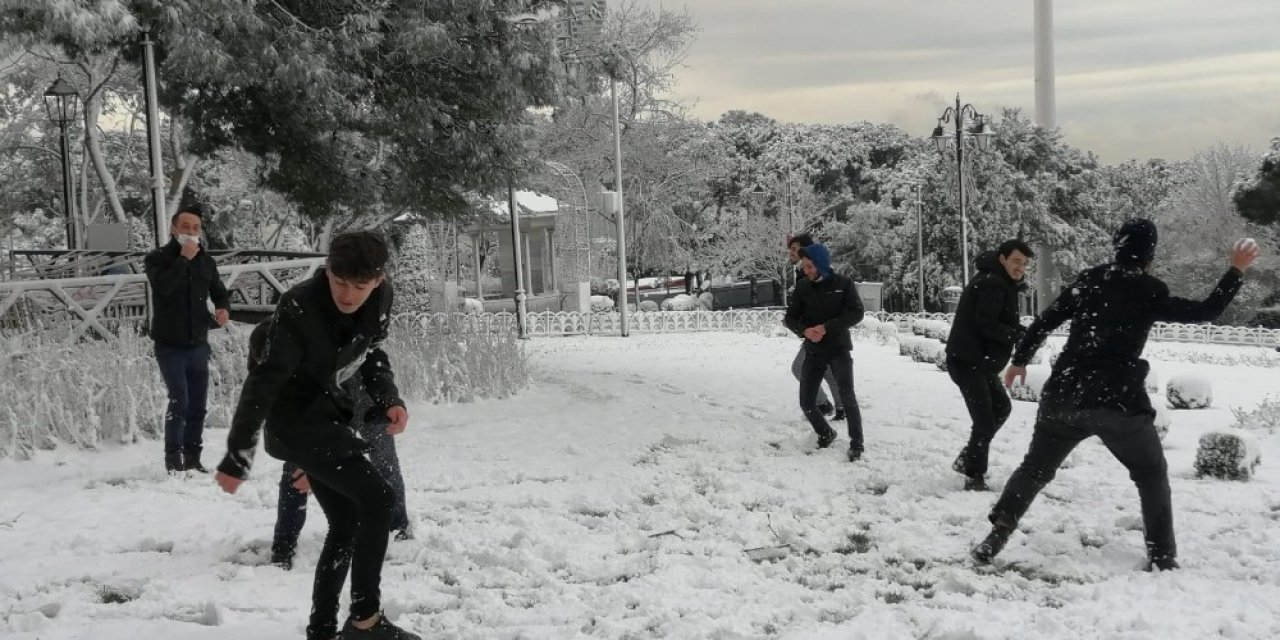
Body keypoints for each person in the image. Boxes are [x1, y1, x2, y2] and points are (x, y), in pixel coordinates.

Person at [971, 220, 1260, 571]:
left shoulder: (1091, 280)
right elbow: (1205, 312)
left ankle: (998, 533)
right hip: (1117, 401)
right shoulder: (1149, 289)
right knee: (1150, 472)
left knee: (1034, 468)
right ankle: (1162, 556)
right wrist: (1235, 270)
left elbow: (1045, 319)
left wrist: (1019, 360)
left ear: (1117, 248)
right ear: (1148, 255)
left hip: (1065, 394)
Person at [214, 231, 420, 640]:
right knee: (378, 499)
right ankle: (365, 620)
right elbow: (265, 382)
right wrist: (238, 453)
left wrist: (388, 396)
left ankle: (322, 630)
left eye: (360, 286)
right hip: (294, 417)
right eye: (340, 282)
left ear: (377, 281)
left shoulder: (380, 297)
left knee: (345, 521)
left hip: (329, 415)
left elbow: (370, 350)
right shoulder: (299, 304)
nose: (348, 294)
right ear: (327, 270)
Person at [250, 318, 414, 572]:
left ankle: (398, 527)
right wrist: (310, 459)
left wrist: (391, 400)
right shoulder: (266, 360)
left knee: (384, 462)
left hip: (361, 393)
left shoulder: (322, 333)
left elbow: (373, 358)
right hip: (315, 406)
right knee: (295, 472)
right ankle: (283, 547)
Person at [143, 204, 230, 473]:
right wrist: (182, 259)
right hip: (169, 343)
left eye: (195, 228)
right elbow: (164, 287)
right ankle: (174, 460)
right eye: (185, 227)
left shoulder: (206, 261)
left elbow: (219, 290)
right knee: (179, 400)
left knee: (198, 404)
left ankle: (193, 456)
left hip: (198, 342)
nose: (191, 232)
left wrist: (223, 306)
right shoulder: (157, 258)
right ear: (173, 228)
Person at [944, 240, 1034, 491]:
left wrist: (1018, 331)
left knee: (1002, 408)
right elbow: (986, 324)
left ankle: (968, 458)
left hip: (980, 363)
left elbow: (995, 321)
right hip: (968, 361)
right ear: (1002, 258)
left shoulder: (999, 281)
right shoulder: (992, 283)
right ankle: (974, 477)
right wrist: (1017, 335)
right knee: (984, 420)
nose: (1021, 268)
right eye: (1017, 261)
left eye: (1025, 264)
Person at [784, 242, 865, 462]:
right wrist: (805, 331)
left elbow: (857, 313)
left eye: (810, 266)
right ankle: (825, 433)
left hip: (838, 349)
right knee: (807, 402)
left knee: (847, 396)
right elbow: (789, 318)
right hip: (814, 351)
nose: (806, 271)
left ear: (821, 264)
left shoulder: (843, 284)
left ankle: (857, 443)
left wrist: (827, 327)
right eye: (804, 266)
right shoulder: (803, 287)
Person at [786, 234, 844, 421]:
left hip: (823, 333)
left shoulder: (815, 274)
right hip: (814, 333)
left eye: (795, 249)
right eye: (791, 248)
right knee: (826, 370)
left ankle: (825, 405)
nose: (791, 252)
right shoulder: (803, 273)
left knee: (800, 368)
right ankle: (837, 406)